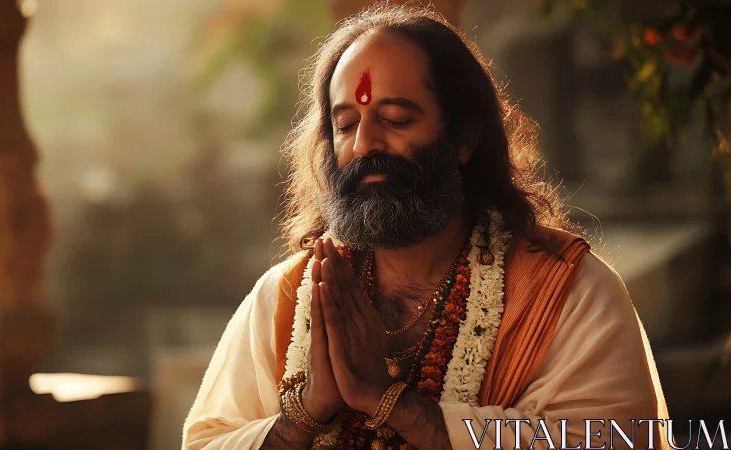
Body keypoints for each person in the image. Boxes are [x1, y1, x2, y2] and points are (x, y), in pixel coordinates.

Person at [182, 4, 668, 450]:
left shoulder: (561, 292)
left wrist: (393, 402)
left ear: (462, 137)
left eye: (394, 118)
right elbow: (208, 441)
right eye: (346, 124)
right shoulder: (289, 296)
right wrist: (306, 411)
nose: (365, 143)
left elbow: (617, 438)